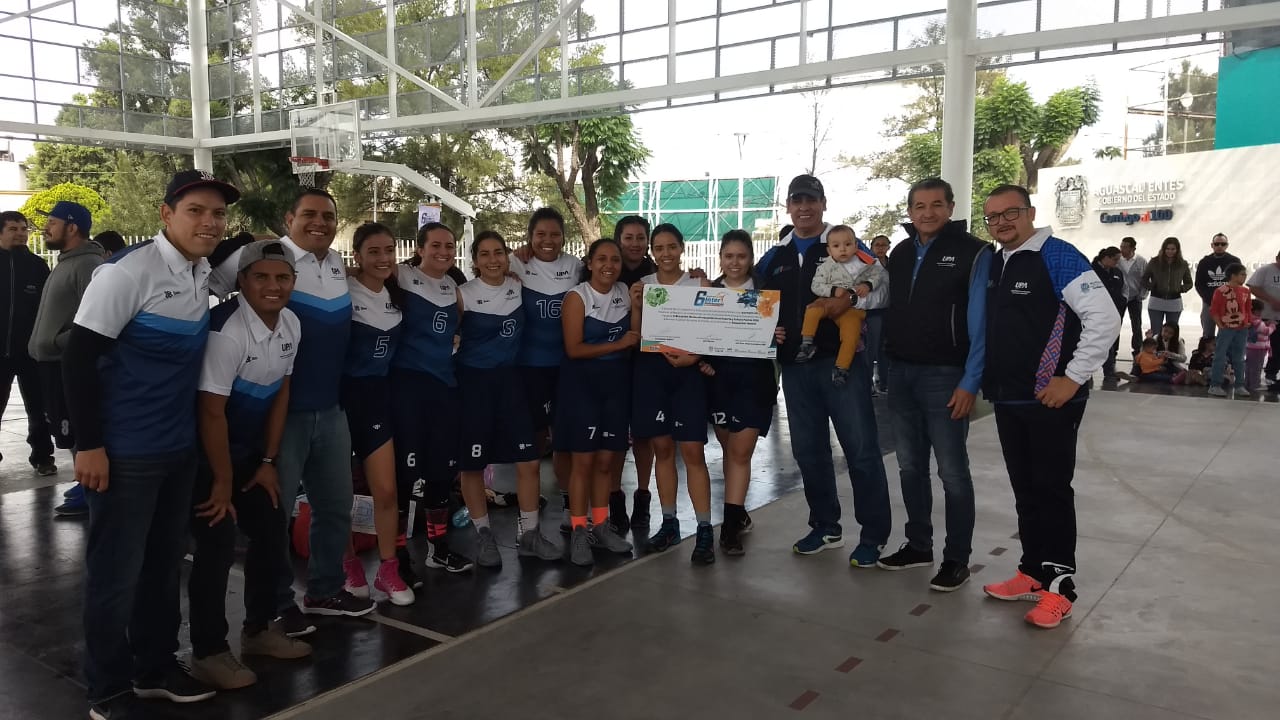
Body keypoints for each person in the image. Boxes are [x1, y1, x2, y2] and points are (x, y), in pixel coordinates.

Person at [64, 169, 241, 718]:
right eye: (196, 211)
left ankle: (155, 666)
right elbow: (77, 360)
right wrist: (88, 445)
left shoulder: (199, 272)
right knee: (116, 573)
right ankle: (107, 688)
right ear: (165, 214)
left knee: (163, 567)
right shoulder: (126, 273)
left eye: (218, 213)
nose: (209, 222)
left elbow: (251, 254)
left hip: (176, 448)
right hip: (125, 452)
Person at [211, 189, 373, 622]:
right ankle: (278, 603)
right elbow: (205, 281)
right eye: (309, 215)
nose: (319, 223)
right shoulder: (264, 256)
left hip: (331, 409)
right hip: (280, 415)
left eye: (328, 216)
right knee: (274, 516)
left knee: (335, 506)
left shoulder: (335, 262)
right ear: (289, 218)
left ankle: (324, 590)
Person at [979, 184, 1120, 630]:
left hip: (1051, 400)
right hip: (1009, 397)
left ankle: (1060, 588)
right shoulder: (998, 261)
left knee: (1052, 490)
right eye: (993, 216)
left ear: (1030, 212)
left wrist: (1072, 377)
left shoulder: (1057, 255)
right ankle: (1033, 573)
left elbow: (1105, 318)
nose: (1001, 222)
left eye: (1010, 213)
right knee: (1025, 489)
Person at [187, 240, 312, 691]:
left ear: (293, 282)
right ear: (242, 281)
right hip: (203, 455)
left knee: (271, 528)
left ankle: (258, 631)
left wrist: (267, 462)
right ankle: (207, 652)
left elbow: (281, 392)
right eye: (261, 276)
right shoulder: (226, 332)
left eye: (282, 277)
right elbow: (210, 413)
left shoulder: (292, 323)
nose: (272, 286)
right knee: (217, 545)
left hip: (246, 454)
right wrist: (222, 481)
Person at [756, 174, 891, 567]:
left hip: (841, 365)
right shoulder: (775, 256)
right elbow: (749, 297)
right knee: (809, 452)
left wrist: (850, 300)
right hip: (796, 368)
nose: (804, 208)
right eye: (797, 201)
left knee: (861, 450)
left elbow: (882, 289)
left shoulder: (845, 244)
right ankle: (826, 527)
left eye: (811, 200)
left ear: (823, 204)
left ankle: (874, 536)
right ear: (788, 207)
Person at [877, 177, 991, 591]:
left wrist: (970, 381)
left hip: (946, 376)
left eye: (936, 205)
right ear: (910, 211)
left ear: (951, 207)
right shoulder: (902, 252)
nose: (928, 213)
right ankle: (918, 545)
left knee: (952, 472)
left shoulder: (974, 252)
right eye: (919, 206)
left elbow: (981, 323)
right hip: (901, 373)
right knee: (909, 467)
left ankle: (957, 559)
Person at [456, 231, 560, 568]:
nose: (493, 260)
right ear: (474, 261)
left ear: (507, 256)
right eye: (484, 254)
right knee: (472, 466)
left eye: (498, 252)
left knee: (529, 462)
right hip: (473, 387)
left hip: (511, 385)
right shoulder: (463, 295)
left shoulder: (518, 285)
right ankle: (484, 535)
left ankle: (529, 535)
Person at [631, 223, 718, 564]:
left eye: (672, 246)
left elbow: (713, 331)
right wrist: (637, 306)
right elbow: (637, 335)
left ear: (682, 248)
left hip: (689, 373)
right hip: (653, 372)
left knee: (693, 451)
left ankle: (705, 528)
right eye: (659, 248)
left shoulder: (699, 284)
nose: (666, 253)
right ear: (652, 252)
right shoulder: (643, 285)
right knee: (663, 449)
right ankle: (669, 523)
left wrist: (694, 357)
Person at [339, 223, 414, 606]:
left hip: (378, 401)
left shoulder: (397, 293)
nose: (384, 258)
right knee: (339, 493)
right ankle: (348, 565)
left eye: (389, 250)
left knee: (385, 490)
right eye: (373, 251)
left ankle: (388, 570)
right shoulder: (342, 289)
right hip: (340, 400)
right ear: (357, 256)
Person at [392, 222, 472, 575]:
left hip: (444, 388)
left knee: (441, 472)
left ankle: (438, 549)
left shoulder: (454, 286)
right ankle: (397, 556)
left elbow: (458, 327)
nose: (443, 251)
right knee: (404, 476)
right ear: (420, 249)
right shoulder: (401, 275)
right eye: (435, 245)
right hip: (407, 389)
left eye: (449, 246)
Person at [556, 238, 639, 565]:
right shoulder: (578, 297)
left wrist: (638, 311)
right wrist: (617, 345)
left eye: (615, 259)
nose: (609, 265)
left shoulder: (624, 292)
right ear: (589, 263)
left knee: (606, 462)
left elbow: (634, 337)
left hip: (615, 387)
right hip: (582, 388)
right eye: (601, 259)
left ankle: (602, 526)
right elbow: (574, 349)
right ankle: (580, 529)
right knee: (583, 463)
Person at [27, 202, 104, 517]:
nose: (45, 228)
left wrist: (58, 342)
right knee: (67, 433)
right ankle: (85, 486)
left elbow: (98, 320)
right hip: (50, 362)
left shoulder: (88, 264)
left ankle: (92, 493)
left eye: (52, 222)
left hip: (66, 363)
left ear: (72, 227)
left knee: (76, 431)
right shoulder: (65, 262)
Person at [509, 208, 581, 538]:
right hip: (529, 368)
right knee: (533, 441)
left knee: (564, 439)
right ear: (530, 237)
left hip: (566, 367)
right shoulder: (515, 262)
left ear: (564, 237)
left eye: (554, 234)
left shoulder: (576, 266)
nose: (547, 240)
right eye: (540, 234)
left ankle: (569, 506)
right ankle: (528, 511)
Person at [706, 230, 778, 555]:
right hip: (719, 382)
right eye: (729, 256)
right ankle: (738, 512)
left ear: (751, 258)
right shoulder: (708, 293)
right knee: (730, 449)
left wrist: (778, 333)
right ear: (721, 258)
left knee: (740, 452)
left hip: (755, 380)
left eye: (741, 256)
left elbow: (779, 333)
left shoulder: (766, 293)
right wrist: (702, 362)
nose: (735, 262)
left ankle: (729, 528)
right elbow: (695, 334)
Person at [0, 209, 56, 477]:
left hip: (30, 352)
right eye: (13, 229)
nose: (21, 234)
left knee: (38, 408)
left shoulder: (37, 266)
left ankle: (43, 456)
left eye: (24, 229)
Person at [794, 224, 885, 387]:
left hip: (852, 309)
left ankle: (842, 367)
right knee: (812, 310)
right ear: (829, 250)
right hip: (827, 302)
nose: (842, 249)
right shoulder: (826, 266)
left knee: (851, 335)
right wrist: (833, 290)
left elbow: (878, 276)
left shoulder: (865, 263)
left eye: (848, 244)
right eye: (836, 246)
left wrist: (868, 285)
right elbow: (816, 285)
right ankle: (807, 342)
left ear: (856, 246)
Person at [1207, 263, 1253, 399]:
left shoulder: (1246, 291)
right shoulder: (1220, 291)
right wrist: (1220, 325)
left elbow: (1248, 308)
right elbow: (1214, 310)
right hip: (1226, 328)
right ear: (1233, 275)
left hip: (1242, 328)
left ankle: (1239, 385)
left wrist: (1248, 322)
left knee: (1239, 357)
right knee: (1220, 356)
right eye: (1242, 274)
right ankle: (1215, 385)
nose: (1244, 277)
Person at [1193, 233, 1240, 341]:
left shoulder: (1234, 261)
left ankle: (1224, 352)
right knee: (1207, 334)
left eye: (1222, 244)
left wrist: (1228, 298)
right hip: (1209, 303)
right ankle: (1207, 352)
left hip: (1228, 303)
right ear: (1212, 245)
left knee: (1226, 334)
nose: (1219, 246)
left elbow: (1238, 282)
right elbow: (1199, 284)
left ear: (1227, 245)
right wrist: (1210, 300)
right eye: (1217, 244)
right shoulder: (1204, 262)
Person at [1141, 237, 1192, 335]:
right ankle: (1155, 346)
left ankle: (1170, 346)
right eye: (1167, 249)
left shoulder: (1183, 264)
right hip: (1156, 301)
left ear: (1177, 250)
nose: (1170, 251)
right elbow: (1144, 279)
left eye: (1173, 249)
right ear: (1163, 249)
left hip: (1174, 302)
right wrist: (1152, 287)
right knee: (1156, 332)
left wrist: (1180, 289)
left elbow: (1189, 283)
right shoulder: (1154, 262)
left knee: (1172, 333)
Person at [1246, 251, 1280, 391]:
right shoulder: (1265, 270)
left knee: (1277, 348)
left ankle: (1272, 374)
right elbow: (1253, 287)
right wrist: (1271, 300)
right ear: (1277, 258)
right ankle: (1255, 378)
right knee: (1263, 348)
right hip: (1266, 317)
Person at [1092, 247, 1126, 381]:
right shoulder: (1091, 271)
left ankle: (1109, 370)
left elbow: (1123, 288)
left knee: (1110, 341)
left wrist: (1122, 301)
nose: (1117, 263)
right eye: (1115, 259)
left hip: (1113, 310)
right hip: (1096, 311)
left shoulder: (1117, 272)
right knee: (1092, 341)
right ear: (1106, 258)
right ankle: (1087, 372)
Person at [867, 234, 892, 393]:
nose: (880, 248)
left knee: (885, 348)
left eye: (884, 245)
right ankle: (868, 383)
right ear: (872, 247)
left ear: (888, 247)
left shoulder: (893, 264)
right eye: (877, 245)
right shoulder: (867, 264)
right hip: (872, 311)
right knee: (871, 348)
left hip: (888, 310)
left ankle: (884, 382)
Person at [1118, 237, 1148, 357]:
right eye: (1121, 247)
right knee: (1116, 323)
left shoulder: (1141, 261)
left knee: (1136, 324)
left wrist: (1142, 295)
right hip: (1120, 297)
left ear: (1133, 248)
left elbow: (1146, 279)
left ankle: (1137, 349)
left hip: (1135, 297)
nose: (1122, 249)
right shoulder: (1118, 260)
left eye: (1125, 247)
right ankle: (1113, 349)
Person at [1245, 299, 1273, 393]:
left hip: (1249, 347)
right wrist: (1272, 326)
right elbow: (1266, 331)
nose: (1261, 313)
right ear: (1256, 311)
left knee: (1249, 366)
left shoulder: (1249, 319)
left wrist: (1265, 324)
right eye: (1261, 310)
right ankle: (1255, 385)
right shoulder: (1258, 322)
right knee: (1257, 367)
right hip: (1258, 348)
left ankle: (1247, 383)